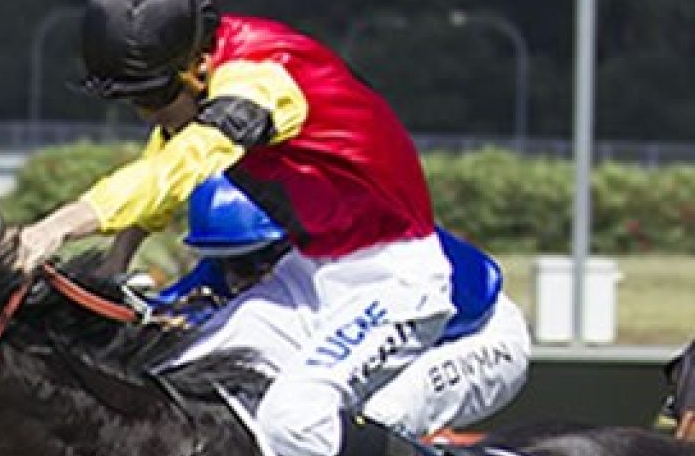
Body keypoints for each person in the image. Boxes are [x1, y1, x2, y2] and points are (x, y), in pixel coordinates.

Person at [15, 0, 513, 456]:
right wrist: (121, 251)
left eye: (147, 97)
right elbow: (166, 158)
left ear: (198, 67)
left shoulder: (263, 80)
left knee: (294, 422)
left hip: (397, 279)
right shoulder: (199, 73)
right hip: (311, 272)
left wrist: (60, 225)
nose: (143, 112)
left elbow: (188, 162)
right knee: (171, 382)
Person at [154, 175, 532, 437]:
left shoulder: (362, 246)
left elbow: (471, 291)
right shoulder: (244, 252)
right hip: (399, 342)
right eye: (227, 263)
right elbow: (172, 307)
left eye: (256, 260)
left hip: (477, 336)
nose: (238, 276)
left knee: (368, 419)